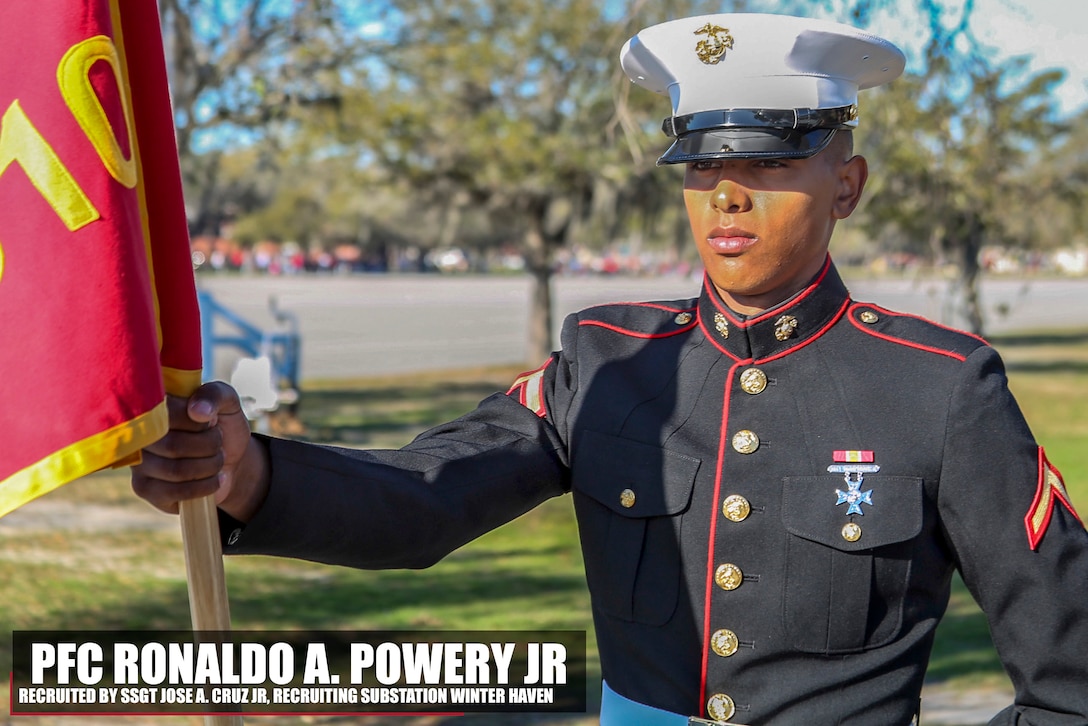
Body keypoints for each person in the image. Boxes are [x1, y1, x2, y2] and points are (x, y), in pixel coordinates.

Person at [133, 13, 1088, 726]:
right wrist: (247, 476)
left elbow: (1071, 679)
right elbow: (429, 495)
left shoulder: (938, 389)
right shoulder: (610, 361)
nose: (727, 193)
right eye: (702, 165)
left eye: (766, 164)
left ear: (846, 183)